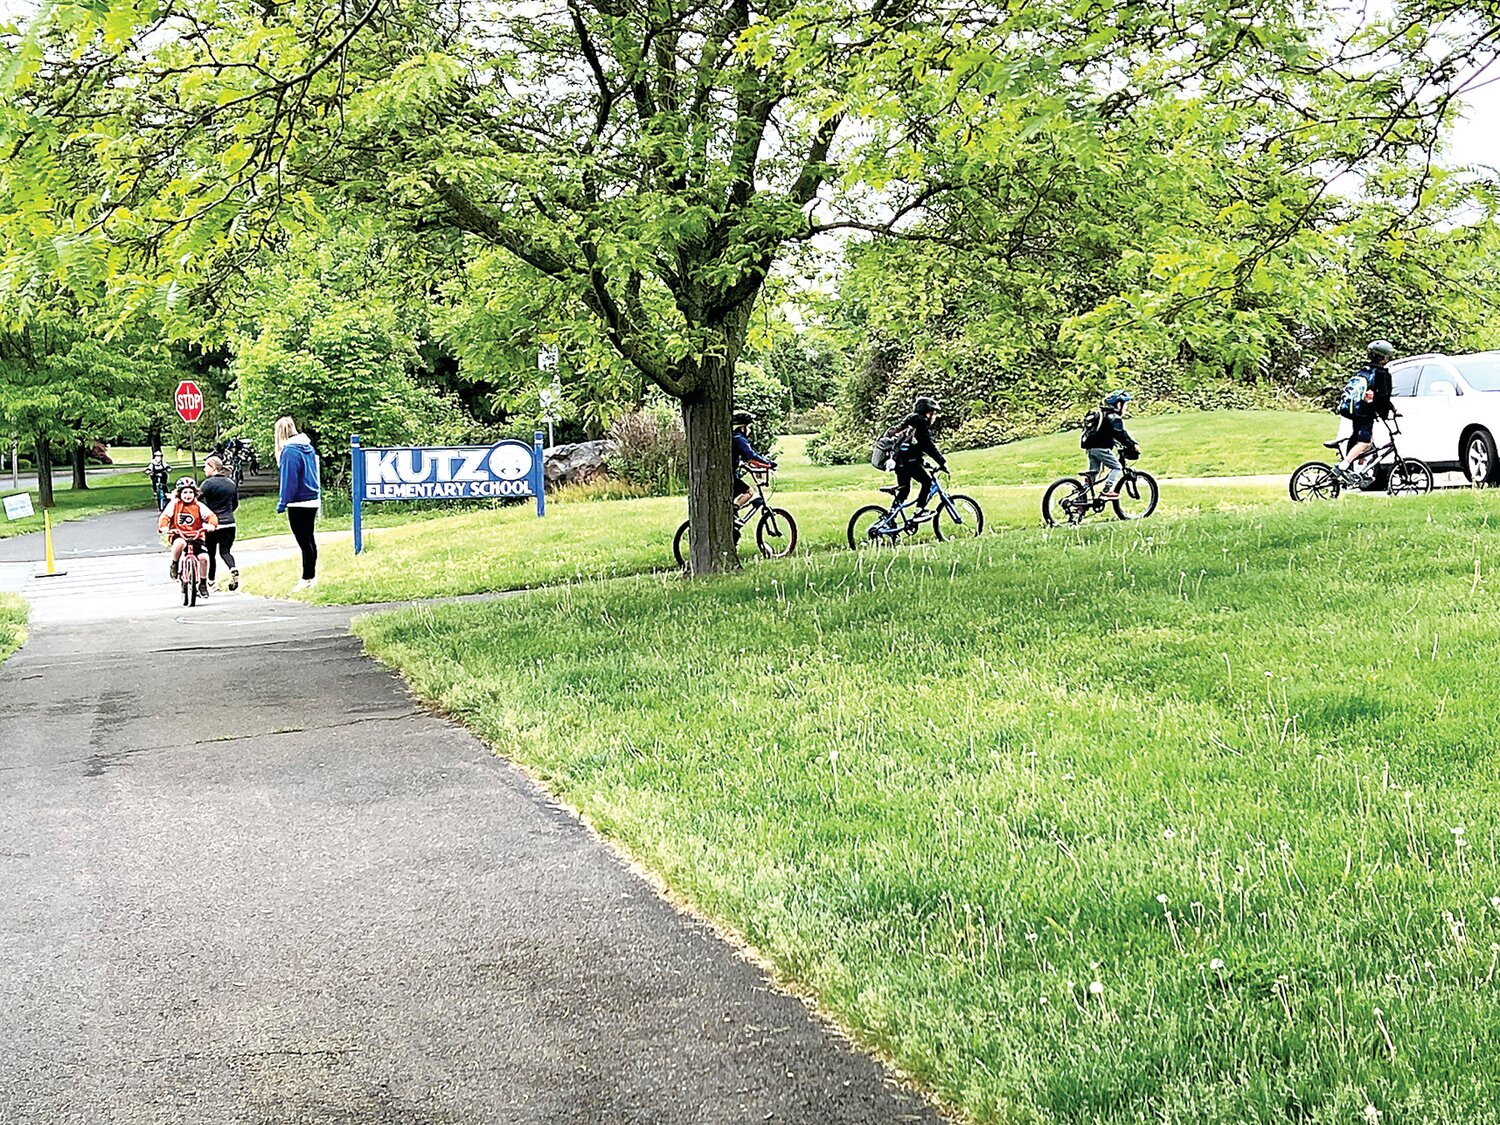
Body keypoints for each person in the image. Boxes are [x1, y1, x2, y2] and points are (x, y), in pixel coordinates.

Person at [1333, 339, 1396, 483]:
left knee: (1365, 441)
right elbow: (1383, 397)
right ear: (1384, 357)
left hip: (1357, 411)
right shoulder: (1381, 374)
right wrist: (1387, 413)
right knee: (1365, 443)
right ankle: (1343, 466)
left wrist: (1391, 408)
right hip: (1366, 413)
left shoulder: (1364, 370)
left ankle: (1360, 472)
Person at [275, 415, 322, 592]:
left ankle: (306, 577)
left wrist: (282, 502)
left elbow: (289, 479)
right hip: (312, 497)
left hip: (298, 501)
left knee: (303, 541)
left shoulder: (289, 452)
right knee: (309, 539)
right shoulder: (307, 447)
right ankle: (312, 575)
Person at [888, 396, 948, 520]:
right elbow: (927, 445)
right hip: (908, 462)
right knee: (927, 482)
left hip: (899, 462)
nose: (935, 417)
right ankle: (919, 511)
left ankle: (889, 519)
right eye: (934, 413)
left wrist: (923, 462)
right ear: (928, 413)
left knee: (904, 491)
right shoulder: (920, 422)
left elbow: (912, 447)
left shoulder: (911, 422)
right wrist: (942, 462)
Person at [157, 476, 218, 598]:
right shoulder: (175, 504)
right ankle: (174, 564)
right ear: (179, 494)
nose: (188, 495)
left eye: (190, 492)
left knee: (204, 558)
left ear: (195, 493)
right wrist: (164, 527)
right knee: (180, 543)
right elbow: (165, 517)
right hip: (178, 534)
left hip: (196, 535)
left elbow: (211, 516)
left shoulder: (198, 506)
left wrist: (211, 525)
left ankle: (203, 584)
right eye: (185, 492)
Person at [1081, 391, 1139, 500]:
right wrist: (1132, 445)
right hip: (1102, 449)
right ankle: (1107, 491)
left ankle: (1080, 498)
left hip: (1090, 448)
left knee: (1093, 473)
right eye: (1125, 405)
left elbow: (1107, 434)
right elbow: (1120, 434)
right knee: (1117, 467)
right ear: (1118, 405)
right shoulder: (1113, 417)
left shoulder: (1102, 414)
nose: (1126, 408)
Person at [200, 455, 240, 591]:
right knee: (225, 552)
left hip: (213, 525)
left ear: (213, 467)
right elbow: (235, 504)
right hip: (229, 523)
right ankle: (232, 568)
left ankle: (212, 583)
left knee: (211, 555)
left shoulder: (208, 484)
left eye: (206, 466)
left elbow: (197, 502)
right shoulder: (231, 483)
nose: (204, 469)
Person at [731, 411, 777, 511]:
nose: (750, 430)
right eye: (749, 427)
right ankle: (733, 511)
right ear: (743, 427)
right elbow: (750, 455)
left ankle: (732, 512)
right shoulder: (739, 439)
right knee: (749, 492)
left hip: (730, 475)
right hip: (730, 477)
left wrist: (741, 464)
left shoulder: (733, 437)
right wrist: (768, 463)